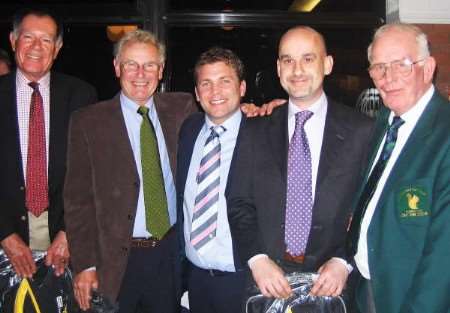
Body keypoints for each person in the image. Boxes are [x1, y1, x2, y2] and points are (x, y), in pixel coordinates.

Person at [227, 25, 373, 304]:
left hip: (331, 286)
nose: (297, 70)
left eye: (308, 58)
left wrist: (344, 261)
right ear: (278, 68)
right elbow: (238, 202)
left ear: (327, 64)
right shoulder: (254, 130)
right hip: (268, 284)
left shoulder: (361, 131)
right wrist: (257, 260)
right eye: (287, 60)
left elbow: (369, 208)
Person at [64, 29, 198, 313]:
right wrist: (85, 265)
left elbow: (221, 114)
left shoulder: (181, 108)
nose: (140, 73)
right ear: (116, 67)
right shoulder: (88, 122)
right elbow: (77, 202)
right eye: (131, 64)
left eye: (149, 64)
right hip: (114, 261)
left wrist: (261, 110)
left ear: (161, 70)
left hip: (168, 255)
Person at [347, 23, 450, 313]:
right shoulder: (384, 121)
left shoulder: (445, 134)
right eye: (378, 67)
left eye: (401, 65)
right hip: (367, 288)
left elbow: (444, 258)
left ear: (428, 68)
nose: (387, 78)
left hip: (411, 299)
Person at [0, 8, 97, 279]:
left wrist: (68, 232)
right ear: (13, 40)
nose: (36, 47)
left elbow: (91, 173)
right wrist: (5, 235)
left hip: (64, 244)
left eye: (46, 40)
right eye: (28, 37)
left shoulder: (82, 95)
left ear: (57, 48)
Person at [176, 47, 247, 313]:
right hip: (195, 278)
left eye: (224, 81)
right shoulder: (190, 129)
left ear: (242, 87)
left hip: (243, 278)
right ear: (196, 93)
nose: (214, 92)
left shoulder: (262, 132)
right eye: (206, 83)